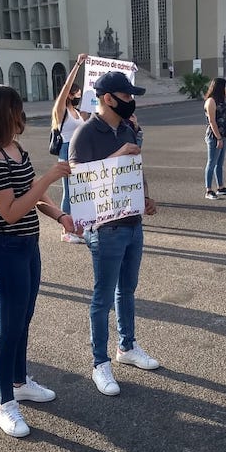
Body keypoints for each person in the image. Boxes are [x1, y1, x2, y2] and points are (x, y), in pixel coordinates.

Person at [0, 85, 74, 437]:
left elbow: (34, 198)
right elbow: (11, 212)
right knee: (9, 326)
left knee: (24, 318)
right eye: (18, 108)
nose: (22, 114)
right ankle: (4, 403)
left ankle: (19, 381)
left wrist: (60, 216)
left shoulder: (15, 149)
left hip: (29, 245)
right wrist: (49, 176)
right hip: (5, 248)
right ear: (5, 113)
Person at [69, 71, 159, 396]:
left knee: (128, 290)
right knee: (102, 297)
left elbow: (138, 168)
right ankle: (99, 363)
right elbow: (80, 184)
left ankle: (127, 346)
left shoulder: (128, 128)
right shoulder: (84, 134)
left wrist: (145, 196)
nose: (131, 101)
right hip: (105, 230)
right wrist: (119, 155)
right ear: (108, 98)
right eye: (126, 96)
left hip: (133, 224)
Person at [50, 53, 89, 243]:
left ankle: (77, 226)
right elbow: (66, 87)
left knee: (78, 191)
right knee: (69, 191)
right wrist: (78, 64)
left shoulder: (77, 112)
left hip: (79, 151)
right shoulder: (61, 110)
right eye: (76, 94)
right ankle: (67, 230)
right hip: (66, 151)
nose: (78, 97)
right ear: (69, 95)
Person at [203, 77, 226, 199]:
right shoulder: (211, 101)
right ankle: (208, 190)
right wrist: (218, 138)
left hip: (223, 134)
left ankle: (221, 187)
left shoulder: (221, 100)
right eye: (225, 86)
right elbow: (212, 121)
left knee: (220, 163)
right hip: (213, 136)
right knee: (212, 162)